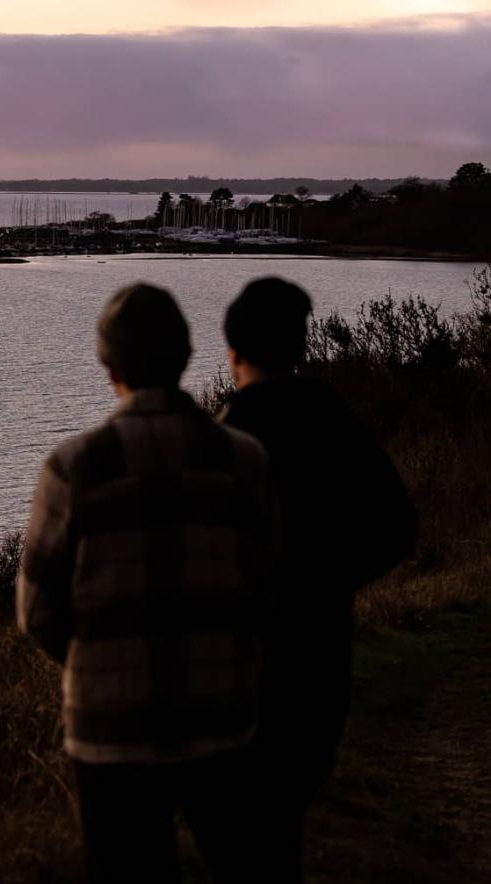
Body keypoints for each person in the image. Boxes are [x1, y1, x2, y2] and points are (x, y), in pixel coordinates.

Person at [17, 282, 277, 884]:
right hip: (222, 713)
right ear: (186, 358)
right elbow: (265, 586)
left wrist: (97, 660)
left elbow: (37, 613)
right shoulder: (245, 460)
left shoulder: (74, 467)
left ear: (108, 364)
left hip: (110, 723)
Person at [219, 277, 417, 882]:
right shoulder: (333, 418)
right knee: (284, 821)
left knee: (247, 833)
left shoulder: (222, 437)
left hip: (235, 664)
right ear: (302, 345)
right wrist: (334, 580)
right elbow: (397, 525)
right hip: (320, 651)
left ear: (232, 354)